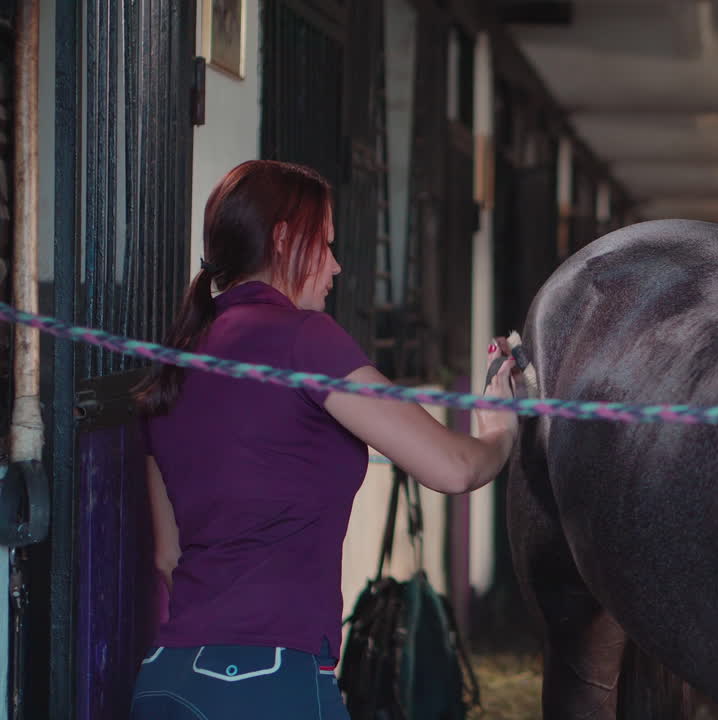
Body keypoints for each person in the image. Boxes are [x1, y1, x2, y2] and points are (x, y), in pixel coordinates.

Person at [129, 159, 518, 718]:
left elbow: (169, 557)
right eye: (326, 245)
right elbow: (453, 467)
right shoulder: (304, 340)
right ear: (285, 239)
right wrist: (500, 432)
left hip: (168, 679)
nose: (335, 266)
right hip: (268, 682)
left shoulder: (178, 356)